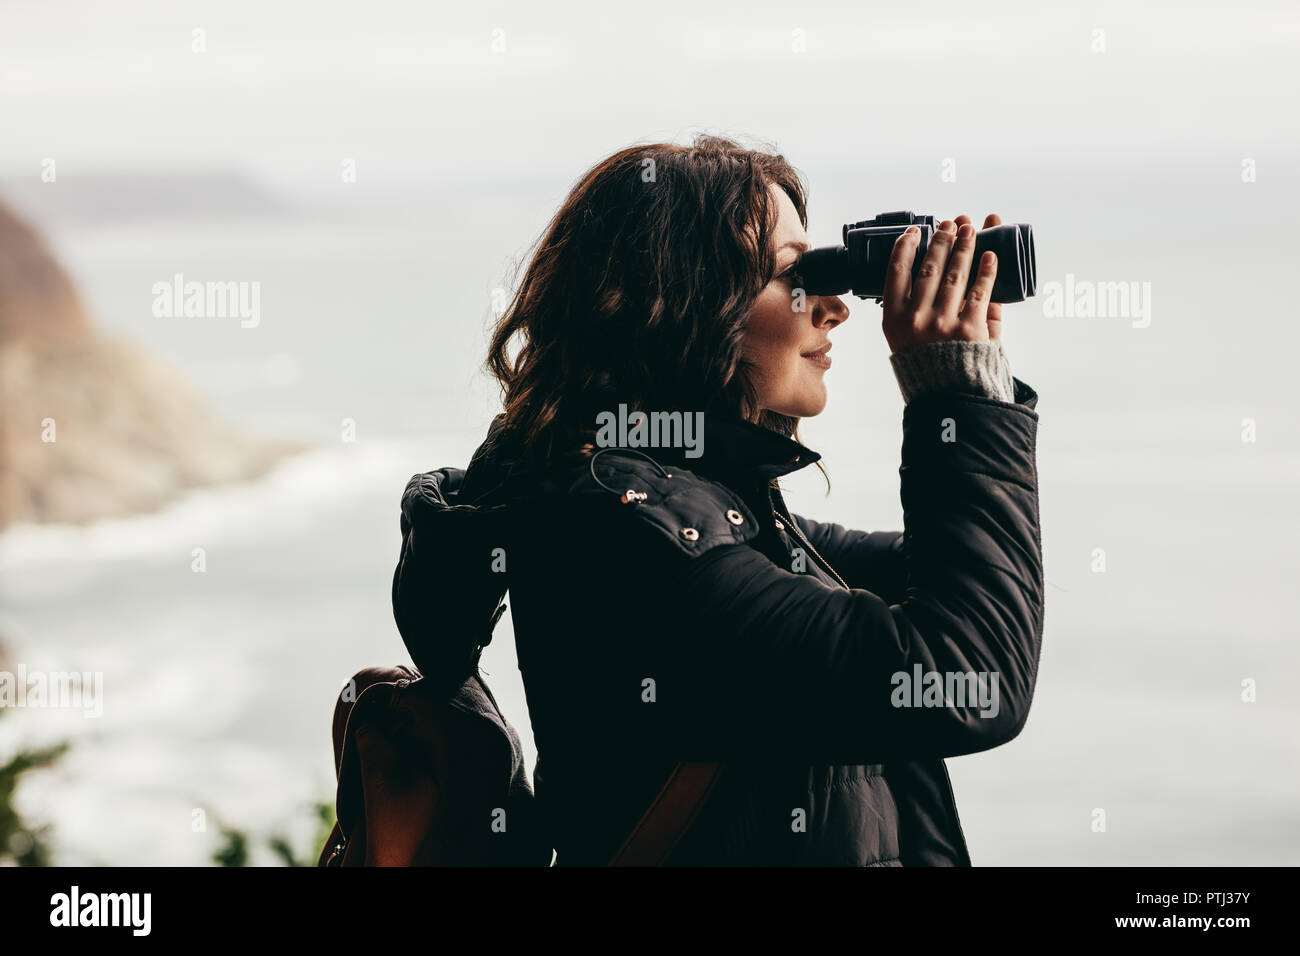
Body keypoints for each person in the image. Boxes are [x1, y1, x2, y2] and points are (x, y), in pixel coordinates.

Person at [392, 134, 1044, 865]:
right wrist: (953, 393)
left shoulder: (694, 513)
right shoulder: (639, 543)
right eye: (796, 276)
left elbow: (966, 586)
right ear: (675, 304)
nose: (834, 307)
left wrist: (974, 379)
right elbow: (969, 676)